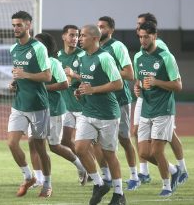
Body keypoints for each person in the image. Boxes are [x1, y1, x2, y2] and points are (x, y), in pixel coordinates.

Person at [133, 13, 188, 185]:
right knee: (142, 145)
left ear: (154, 34)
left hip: (162, 102)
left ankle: (175, 173)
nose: (141, 38)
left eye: (145, 34)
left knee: (163, 142)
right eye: (139, 32)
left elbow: (173, 79)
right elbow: (140, 78)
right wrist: (138, 86)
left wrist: (156, 82)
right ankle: (172, 170)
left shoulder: (163, 51)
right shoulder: (138, 55)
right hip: (146, 99)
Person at [28, 32, 87, 188]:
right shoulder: (31, 63)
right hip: (35, 109)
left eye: (38, 44)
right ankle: (39, 178)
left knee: (54, 146)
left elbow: (64, 84)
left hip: (53, 109)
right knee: (32, 143)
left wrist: (44, 88)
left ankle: (81, 165)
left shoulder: (53, 62)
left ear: (45, 47)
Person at [75, 25, 126, 205]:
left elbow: (118, 83)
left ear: (95, 39)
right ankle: (99, 183)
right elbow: (88, 82)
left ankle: (119, 194)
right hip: (88, 111)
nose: (80, 38)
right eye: (80, 35)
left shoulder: (105, 57)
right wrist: (81, 92)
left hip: (108, 114)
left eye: (83, 36)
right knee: (80, 148)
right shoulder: (82, 57)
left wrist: (93, 89)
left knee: (109, 155)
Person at [7, 11, 52, 198]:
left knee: (40, 147)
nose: (16, 28)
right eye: (14, 25)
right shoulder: (13, 49)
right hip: (19, 104)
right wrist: (15, 82)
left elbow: (47, 76)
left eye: (19, 25)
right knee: (12, 143)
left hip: (38, 105)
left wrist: (25, 75)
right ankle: (28, 177)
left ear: (28, 26)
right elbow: (19, 74)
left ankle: (47, 184)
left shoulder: (39, 48)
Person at [97, 16, 139, 190]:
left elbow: (130, 74)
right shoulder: (95, 48)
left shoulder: (117, 46)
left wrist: (109, 70)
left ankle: (134, 176)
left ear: (111, 30)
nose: (99, 30)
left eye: (103, 27)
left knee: (124, 139)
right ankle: (107, 177)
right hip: (101, 102)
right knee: (98, 142)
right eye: (98, 26)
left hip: (119, 100)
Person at [57, 25, 84, 157]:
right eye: (72, 35)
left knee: (83, 144)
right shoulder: (58, 57)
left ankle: (96, 170)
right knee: (65, 140)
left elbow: (91, 79)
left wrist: (74, 75)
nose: (75, 38)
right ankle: (83, 166)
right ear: (64, 36)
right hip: (66, 105)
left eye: (77, 35)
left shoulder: (83, 55)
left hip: (83, 106)